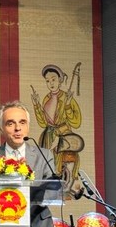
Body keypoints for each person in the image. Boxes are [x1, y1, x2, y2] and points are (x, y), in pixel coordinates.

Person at [30, 64, 83, 195]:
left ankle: (68, 186)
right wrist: (37, 105)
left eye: (53, 79)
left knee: (66, 161)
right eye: (48, 81)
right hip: (48, 136)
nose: (51, 83)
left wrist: (68, 106)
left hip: (64, 135)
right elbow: (43, 122)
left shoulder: (66, 97)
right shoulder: (47, 98)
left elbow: (76, 122)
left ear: (60, 79)